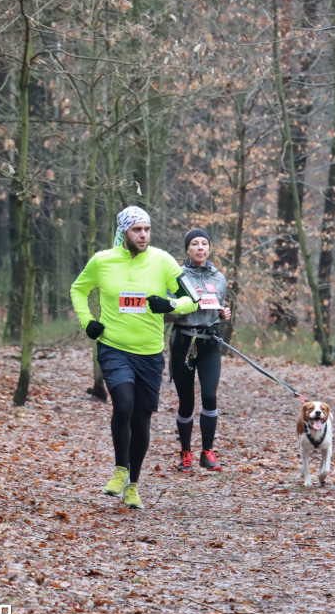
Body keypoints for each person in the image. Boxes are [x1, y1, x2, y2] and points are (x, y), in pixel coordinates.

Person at [70, 206, 198, 509]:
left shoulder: (163, 261)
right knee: (123, 404)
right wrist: (88, 321)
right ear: (124, 232)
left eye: (147, 229)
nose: (143, 235)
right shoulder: (103, 261)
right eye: (136, 230)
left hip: (150, 354)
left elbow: (192, 300)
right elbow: (78, 289)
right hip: (114, 347)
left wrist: (169, 305)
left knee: (141, 420)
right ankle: (120, 469)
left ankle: (133, 485)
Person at [168, 228, 231, 473]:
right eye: (195, 243)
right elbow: (168, 312)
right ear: (187, 249)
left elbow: (219, 308)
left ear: (209, 248)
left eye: (204, 243)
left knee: (210, 396)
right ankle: (185, 453)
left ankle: (207, 452)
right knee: (186, 401)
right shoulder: (177, 277)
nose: (200, 248)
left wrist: (224, 314)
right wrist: (186, 306)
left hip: (210, 342)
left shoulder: (219, 278)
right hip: (184, 342)